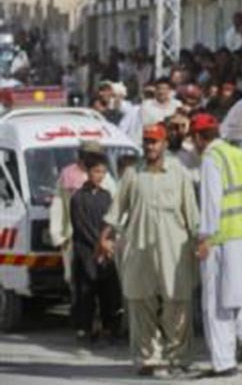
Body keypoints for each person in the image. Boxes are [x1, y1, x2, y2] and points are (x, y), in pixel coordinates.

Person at [102, 123, 199, 377]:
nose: (150, 146)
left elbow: (192, 215)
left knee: (177, 303)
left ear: (165, 143)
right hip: (140, 249)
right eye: (146, 141)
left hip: (174, 249)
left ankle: (178, 357)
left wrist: (201, 242)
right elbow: (116, 212)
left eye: (155, 141)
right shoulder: (132, 173)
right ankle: (148, 359)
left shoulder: (179, 172)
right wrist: (104, 239)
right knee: (140, 302)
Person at [191, 113, 242, 378]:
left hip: (221, 240)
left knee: (216, 303)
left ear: (199, 138)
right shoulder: (241, 156)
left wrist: (205, 238)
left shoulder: (212, 159)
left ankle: (224, 363)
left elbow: (212, 201)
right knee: (236, 295)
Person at [48, 141, 117, 298]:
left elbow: (115, 207)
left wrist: (109, 238)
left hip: (101, 238)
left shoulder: (104, 177)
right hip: (74, 238)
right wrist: (58, 235)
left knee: (102, 278)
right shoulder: (67, 175)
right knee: (77, 282)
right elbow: (58, 204)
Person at [69, 153, 122, 344]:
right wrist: (99, 245)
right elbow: (81, 227)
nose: (99, 176)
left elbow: (111, 223)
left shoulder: (106, 196)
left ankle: (110, 328)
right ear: (88, 172)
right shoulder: (77, 198)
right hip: (86, 252)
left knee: (108, 292)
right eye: (96, 171)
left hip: (105, 252)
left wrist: (108, 245)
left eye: (103, 172)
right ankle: (84, 328)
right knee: (86, 292)